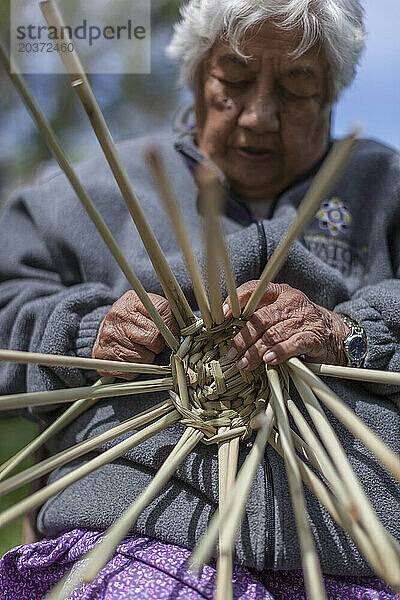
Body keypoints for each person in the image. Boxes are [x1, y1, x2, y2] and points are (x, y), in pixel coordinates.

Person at [0, 1, 399, 598]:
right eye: (234, 81)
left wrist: (351, 335)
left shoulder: (383, 190)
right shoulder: (97, 188)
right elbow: (8, 309)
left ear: (333, 93)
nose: (260, 116)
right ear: (196, 76)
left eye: (296, 86)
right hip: (139, 532)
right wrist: (87, 332)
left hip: (350, 547)